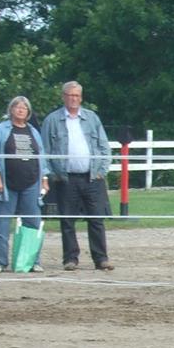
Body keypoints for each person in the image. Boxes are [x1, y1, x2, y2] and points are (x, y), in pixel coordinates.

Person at [42, 81, 114, 271]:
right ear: (63, 97)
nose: (73, 99)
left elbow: (104, 146)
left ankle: (101, 258)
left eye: (76, 95)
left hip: (92, 177)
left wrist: (102, 171)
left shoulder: (92, 118)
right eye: (69, 95)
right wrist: (52, 173)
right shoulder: (52, 120)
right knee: (67, 219)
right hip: (65, 179)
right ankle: (70, 258)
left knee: (96, 219)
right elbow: (45, 150)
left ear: (81, 98)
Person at [0, 96, 49, 273]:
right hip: (7, 184)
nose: (21, 110)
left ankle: (32, 260)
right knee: (3, 224)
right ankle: (0, 261)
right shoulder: (0, 130)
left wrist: (44, 179)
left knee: (33, 222)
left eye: (24, 108)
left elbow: (41, 157)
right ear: (11, 109)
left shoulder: (33, 132)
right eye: (17, 107)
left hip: (32, 183)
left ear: (28, 112)